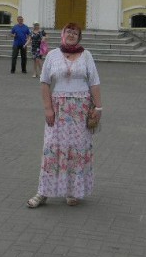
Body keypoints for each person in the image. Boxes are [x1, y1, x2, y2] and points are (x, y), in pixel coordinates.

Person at [27, 22, 102, 208]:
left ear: (79, 37)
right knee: (52, 148)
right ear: (62, 34)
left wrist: (98, 108)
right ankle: (43, 192)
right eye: (68, 31)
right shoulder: (52, 55)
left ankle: (72, 191)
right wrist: (48, 108)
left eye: (75, 32)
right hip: (58, 109)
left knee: (76, 150)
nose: (71, 34)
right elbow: (44, 83)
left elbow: (94, 82)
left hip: (81, 110)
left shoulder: (87, 56)